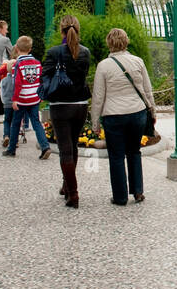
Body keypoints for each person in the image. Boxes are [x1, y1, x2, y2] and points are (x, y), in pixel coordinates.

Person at [91, 27, 156, 208]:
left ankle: (120, 197)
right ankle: (138, 191)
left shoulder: (103, 66)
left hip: (113, 116)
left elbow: (98, 97)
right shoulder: (138, 61)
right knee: (134, 151)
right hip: (137, 113)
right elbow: (147, 90)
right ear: (126, 41)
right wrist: (153, 111)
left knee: (117, 156)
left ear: (109, 43)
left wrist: (95, 121)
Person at [42, 15, 91, 208]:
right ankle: (66, 185)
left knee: (65, 150)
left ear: (61, 30)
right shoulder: (85, 52)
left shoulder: (53, 52)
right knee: (73, 146)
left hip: (60, 105)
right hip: (80, 104)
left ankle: (73, 193)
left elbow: (44, 77)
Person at [2, 37, 52, 160]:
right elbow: (41, 80)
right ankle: (45, 146)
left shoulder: (17, 64)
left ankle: (11, 149)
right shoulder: (37, 63)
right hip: (34, 98)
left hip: (22, 99)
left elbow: (17, 83)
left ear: (17, 49)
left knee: (15, 123)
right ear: (30, 49)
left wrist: (15, 99)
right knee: (36, 122)